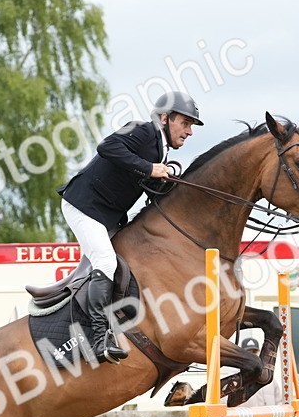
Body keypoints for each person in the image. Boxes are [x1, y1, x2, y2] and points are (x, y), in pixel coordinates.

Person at [58, 91, 203, 364]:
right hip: (83, 206)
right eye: (185, 123)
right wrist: (150, 168)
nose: (189, 131)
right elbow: (107, 147)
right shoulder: (142, 129)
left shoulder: (160, 149)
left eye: (191, 126)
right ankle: (97, 339)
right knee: (105, 261)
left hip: (106, 215)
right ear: (164, 118)